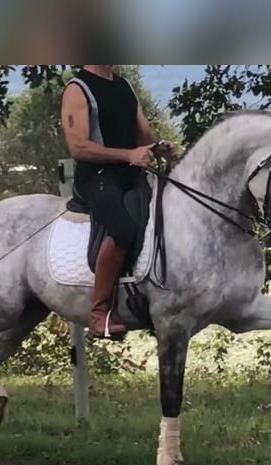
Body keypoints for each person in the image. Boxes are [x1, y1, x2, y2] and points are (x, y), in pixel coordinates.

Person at [60, 65, 176, 339]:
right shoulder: (78, 90)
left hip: (132, 174)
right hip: (97, 178)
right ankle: (100, 314)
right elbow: (78, 147)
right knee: (123, 230)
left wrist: (157, 147)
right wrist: (128, 155)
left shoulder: (124, 86)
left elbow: (144, 135)